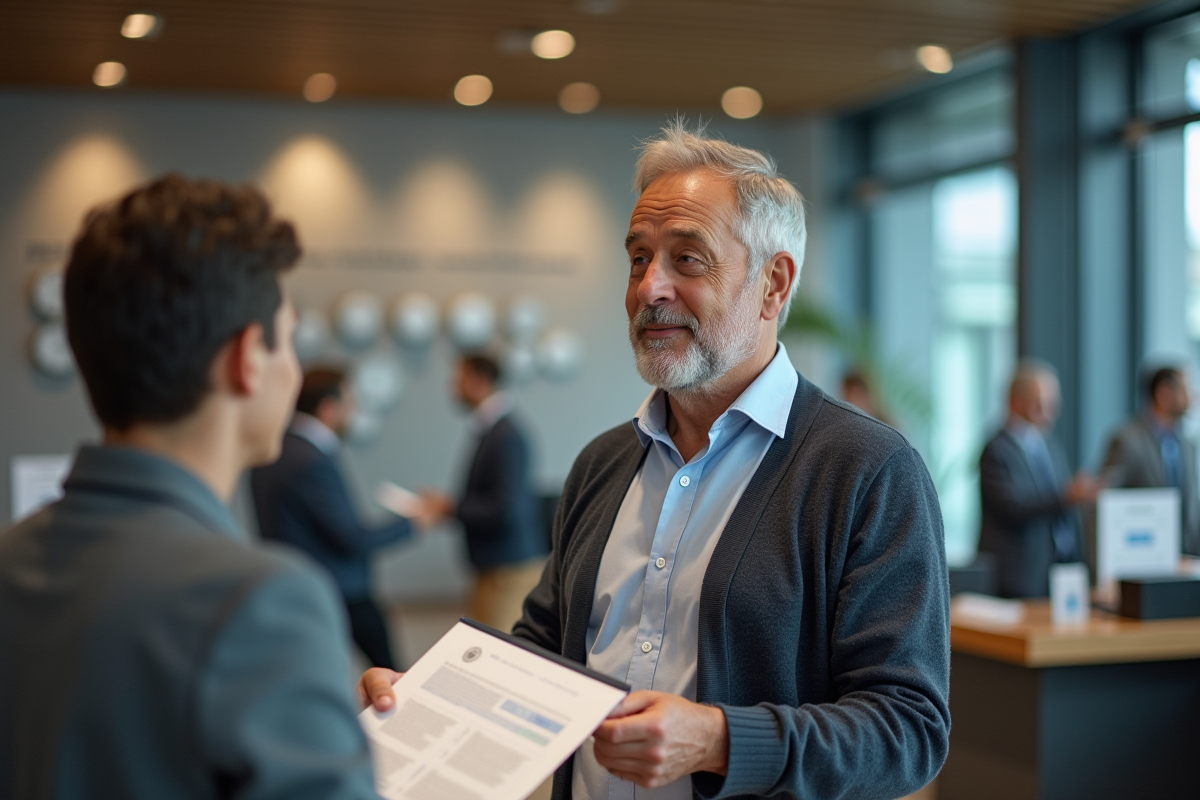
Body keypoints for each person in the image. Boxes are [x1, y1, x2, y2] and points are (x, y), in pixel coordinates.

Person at [363, 124, 950, 799]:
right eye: (639, 259)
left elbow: (909, 730)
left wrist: (719, 740)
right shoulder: (602, 463)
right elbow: (544, 650)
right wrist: (435, 700)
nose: (649, 288)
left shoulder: (867, 471)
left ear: (773, 285)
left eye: (687, 260)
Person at [0, 176, 377, 798]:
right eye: (289, 338)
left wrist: (315, 722)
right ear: (247, 358)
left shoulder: (12, 558)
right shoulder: (262, 602)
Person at [251, 365, 414, 669]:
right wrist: (413, 523)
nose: (353, 412)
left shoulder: (274, 448)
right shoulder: (311, 460)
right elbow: (350, 538)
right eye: (350, 403)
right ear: (328, 408)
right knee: (393, 676)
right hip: (339, 590)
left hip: (294, 584)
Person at [422, 354, 547, 633]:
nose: (452, 389)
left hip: (508, 570)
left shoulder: (505, 434)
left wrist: (450, 508)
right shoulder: (492, 429)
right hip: (495, 566)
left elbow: (505, 508)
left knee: (500, 656)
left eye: (458, 380)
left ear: (480, 381)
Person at [978, 360, 1098, 598]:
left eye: (1053, 402)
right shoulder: (997, 449)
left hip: (1056, 571)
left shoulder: (1049, 445)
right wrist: (1066, 495)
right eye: (1042, 401)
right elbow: (1013, 506)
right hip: (1017, 575)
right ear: (1016, 400)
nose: (1051, 408)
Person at [1101, 365, 1200, 556]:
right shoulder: (1127, 440)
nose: (1193, 396)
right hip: (1142, 557)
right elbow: (1105, 503)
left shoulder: (1188, 445)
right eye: (1186, 389)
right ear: (1164, 394)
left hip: (1185, 557)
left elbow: (1192, 507)